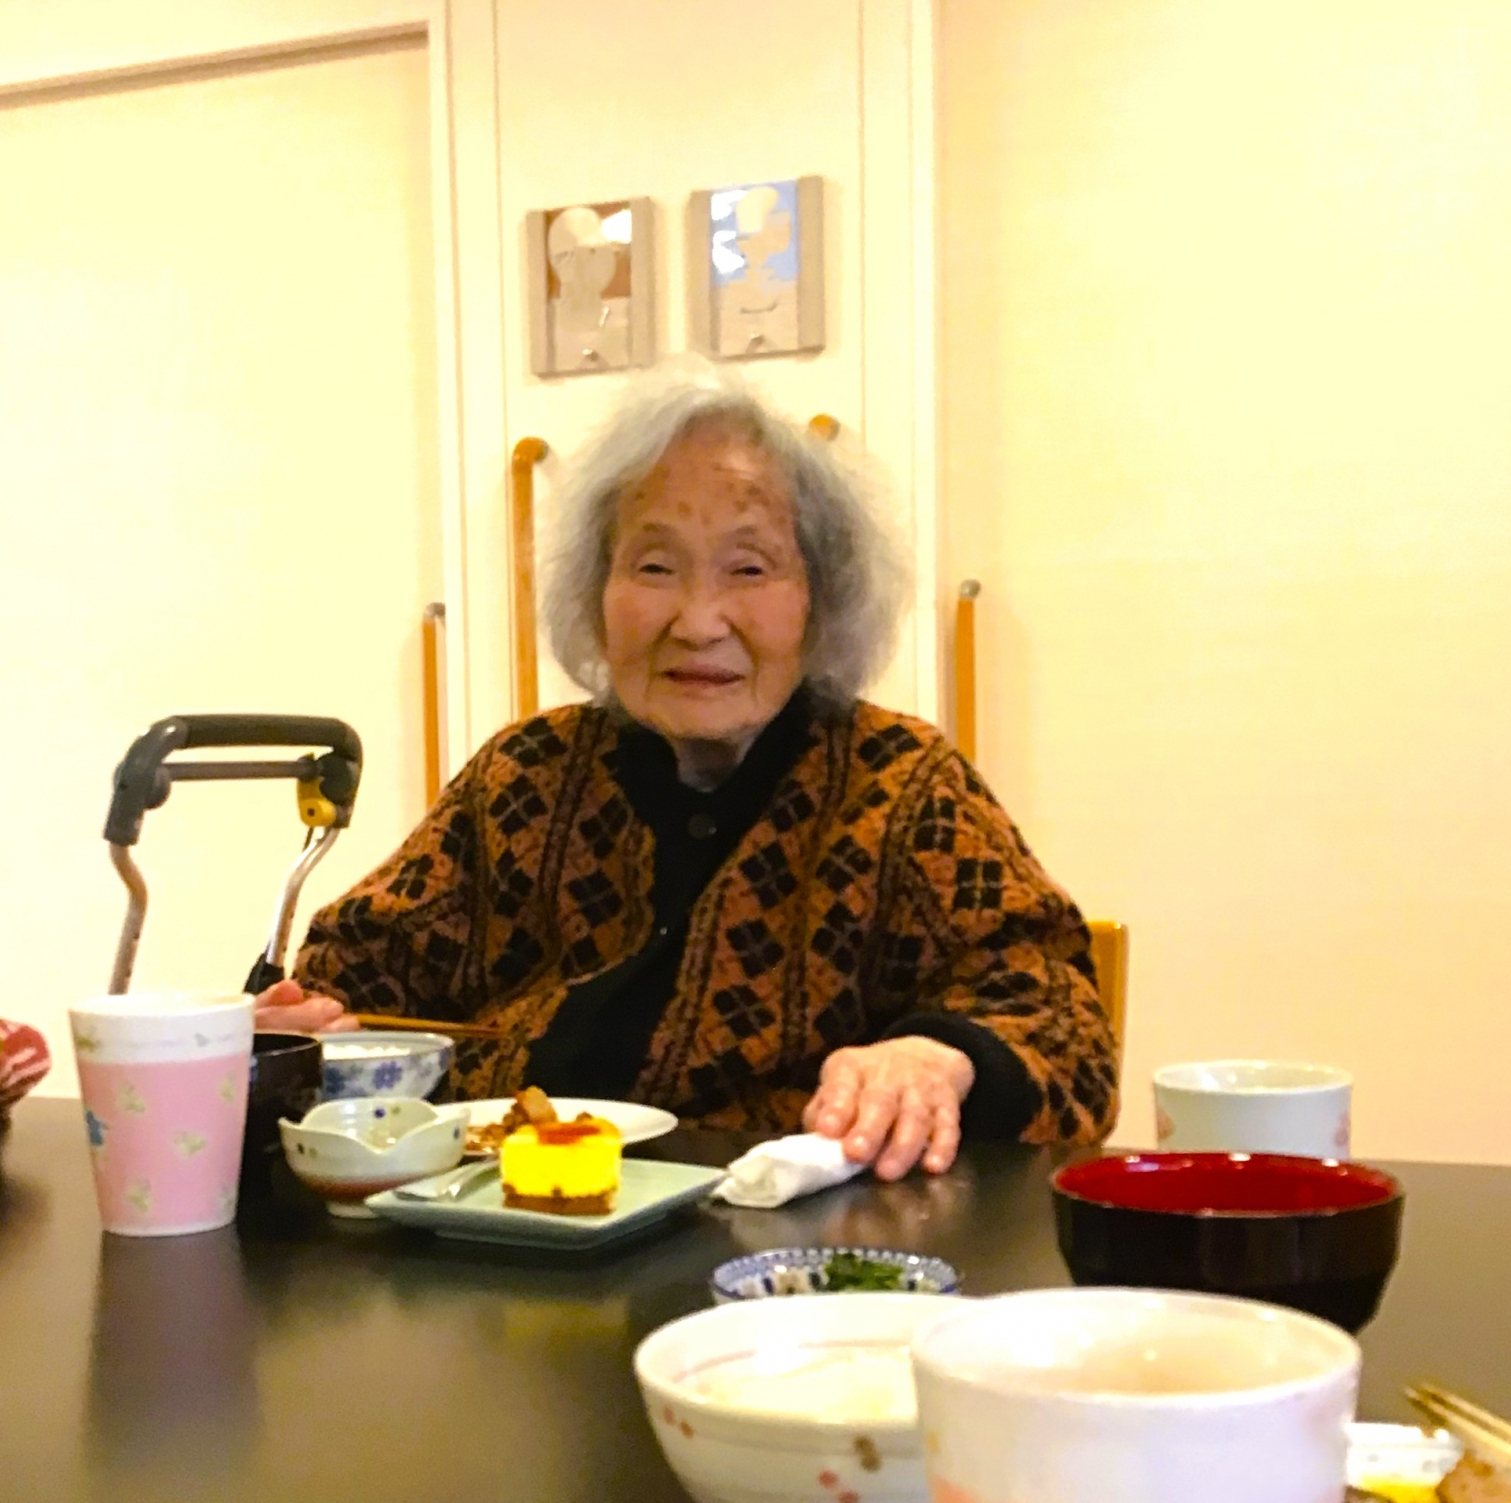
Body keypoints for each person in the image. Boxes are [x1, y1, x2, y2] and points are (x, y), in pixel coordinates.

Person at [258, 369, 1118, 1180]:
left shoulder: (899, 786)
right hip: (510, 1242)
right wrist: (295, 1028)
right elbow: (353, 979)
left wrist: (938, 1056)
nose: (699, 621)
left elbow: (1066, 1028)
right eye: (655, 567)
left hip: (787, 1264)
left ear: (820, 599)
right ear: (597, 592)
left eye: (749, 568)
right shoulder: (524, 776)